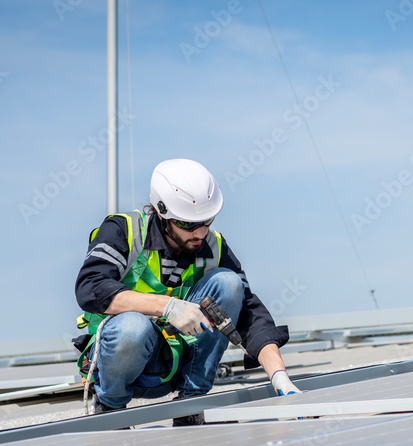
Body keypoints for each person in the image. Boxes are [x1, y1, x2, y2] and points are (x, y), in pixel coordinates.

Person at [73, 158, 300, 424]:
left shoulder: (213, 246)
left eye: (207, 221)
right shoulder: (124, 231)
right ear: (162, 213)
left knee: (229, 283)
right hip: (122, 363)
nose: (200, 232)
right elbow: (90, 287)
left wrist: (279, 377)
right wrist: (167, 307)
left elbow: (250, 313)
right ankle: (110, 410)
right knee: (134, 327)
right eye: (188, 224)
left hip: (175, 362)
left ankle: (191, 404)